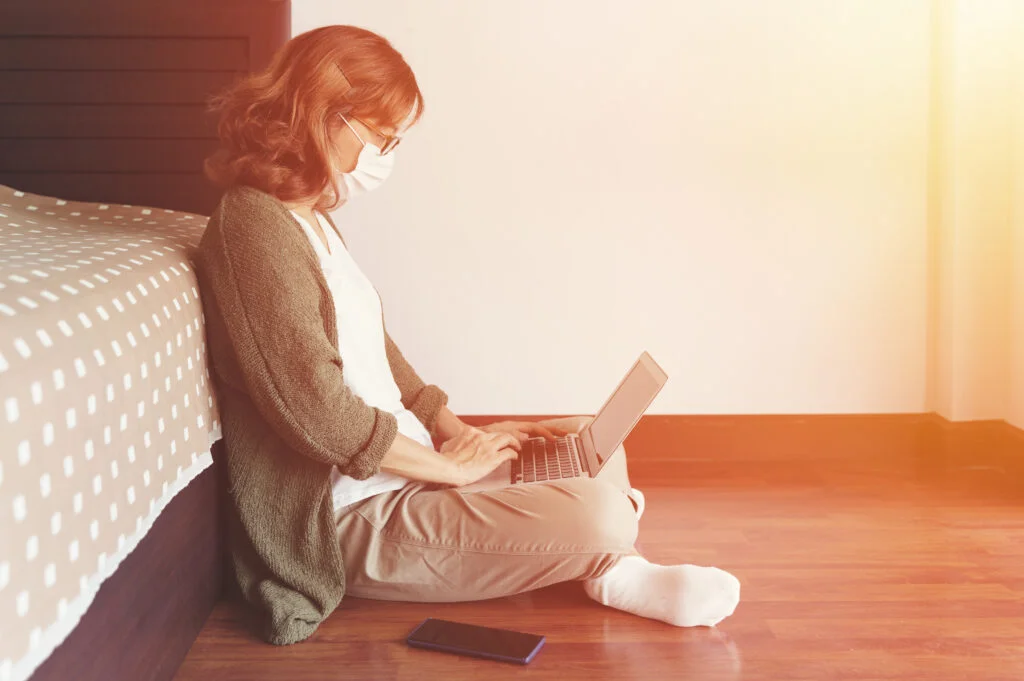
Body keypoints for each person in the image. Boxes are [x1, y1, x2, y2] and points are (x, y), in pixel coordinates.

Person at [194, 25, 740, 645]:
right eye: (381, 136)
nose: (387, 155)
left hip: (410, 471)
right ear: (323, 114)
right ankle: (610, 557)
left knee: (591, 444)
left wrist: (460, 434)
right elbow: (316, 412)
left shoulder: (311, 221)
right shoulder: (252, 227)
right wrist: (448, 471)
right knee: (602, 509)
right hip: (352, 513)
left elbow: (379, 355)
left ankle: (610, 565)